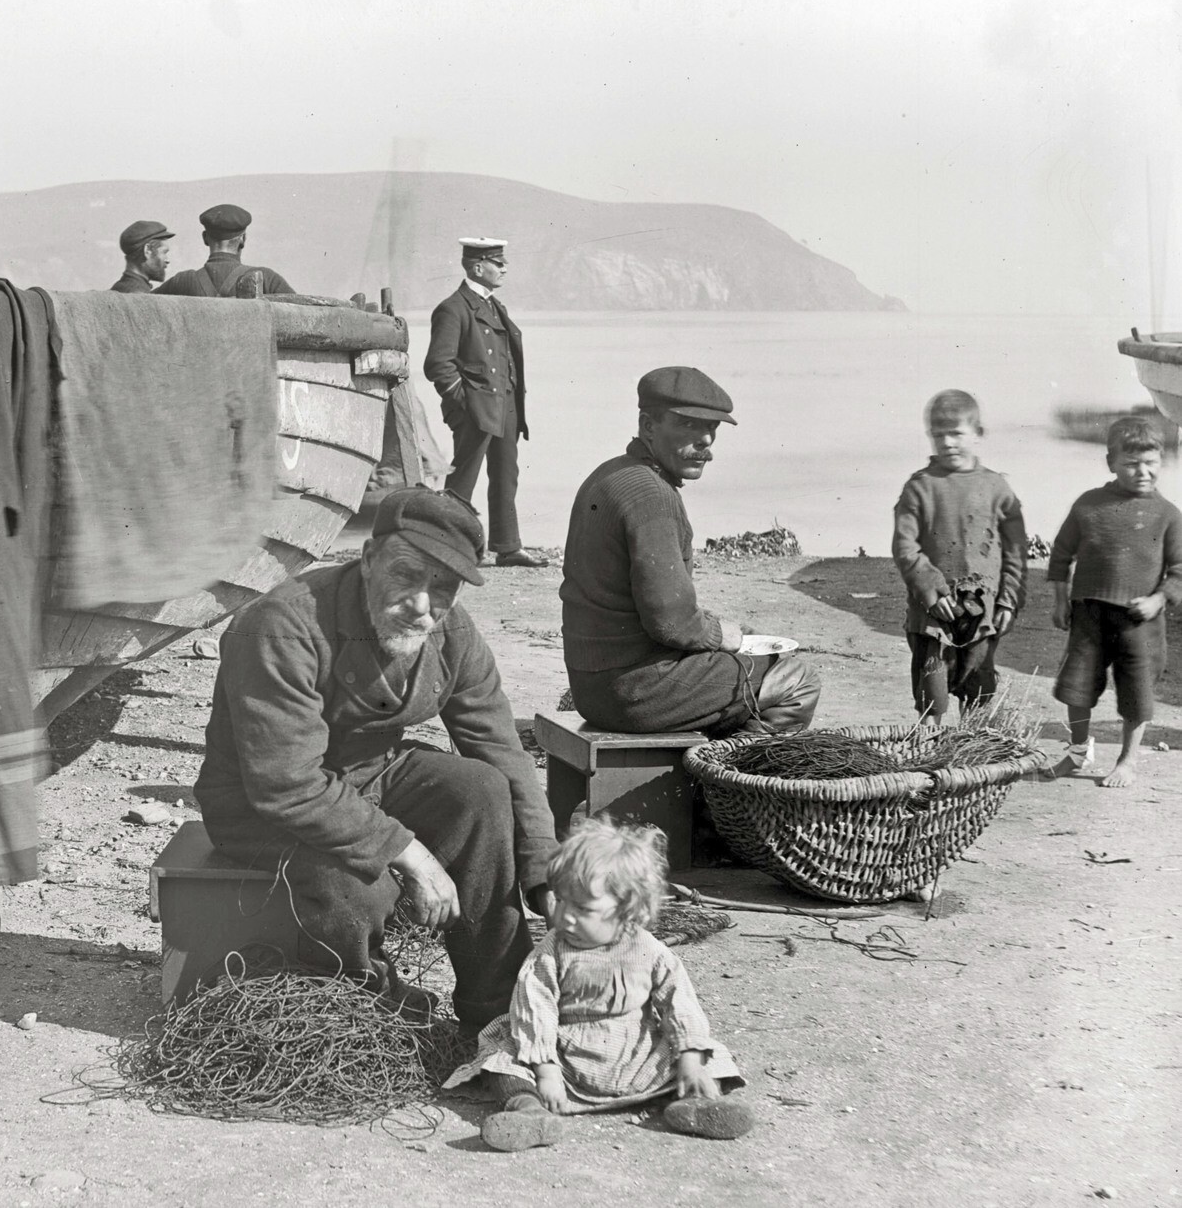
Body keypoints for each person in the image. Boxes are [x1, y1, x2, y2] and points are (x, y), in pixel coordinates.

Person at [192, 488, 556, 1030]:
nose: (421, 606)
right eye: (406, 575)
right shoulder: (279, 624)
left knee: (481, 789)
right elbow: (286, 784)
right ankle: (370, 1013)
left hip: (370, 778)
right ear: (366, 559)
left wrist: (546, 874)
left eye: (443, 587)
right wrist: (410, 853)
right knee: (361, 886)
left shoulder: (452, 633)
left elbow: (503, 750)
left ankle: (497, 1009)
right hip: (259, 809)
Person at [445, 817, 751, 1151]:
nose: (566, 916)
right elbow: (536, 1012)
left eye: (582, 908)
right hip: (565, 1064)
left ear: (628, 909)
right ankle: (529, 1111)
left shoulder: (648, 949)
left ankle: (695, 1103)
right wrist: (546, 1072)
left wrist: (691, 1061)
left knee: (709, 1054)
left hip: (636, 1057)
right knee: (502, 1057)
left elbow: (680, 1003)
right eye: (560, 901)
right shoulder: (551, 953)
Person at [560, 366, 820, 735]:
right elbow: (672, 623)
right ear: (648, 426)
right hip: (635, 692)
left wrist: (722, 633)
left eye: (711, 429)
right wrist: (719, 636)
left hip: (593, 685)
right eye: (688, 425)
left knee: (745, 649)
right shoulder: (652, 496)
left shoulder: (611, 474)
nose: (705, 442)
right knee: (796, 677)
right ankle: (723, 780)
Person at [1046, 414, 1182, 787]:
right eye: (1131, 464)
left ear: (1161, 462)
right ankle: (1077, 752)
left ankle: (1127, 760)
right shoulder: (1089, 505)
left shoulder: (1168, 515)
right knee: (1077, 684)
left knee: (1136, 691)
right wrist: (1060, 601)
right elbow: (1060, 554)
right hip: (1088, 612)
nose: (1142, 472)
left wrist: (1158, 600)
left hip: (1140, 620)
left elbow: (1180, 570)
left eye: (1150, 463)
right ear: (1111, 463)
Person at [891, 390, 1028, 724]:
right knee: (931, 694)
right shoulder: (919, 487)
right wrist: (930, 590)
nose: (948, 443)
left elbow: (1015, 550)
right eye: (939, 435)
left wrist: (1009, 600)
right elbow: (905, 546)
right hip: (933, 613)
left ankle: (969, 760)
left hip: (981, 611)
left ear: (978, 434)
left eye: (957, 433)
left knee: (977, 689)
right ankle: (930, 753)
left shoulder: (997, 489)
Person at [423, 238, 544, 567]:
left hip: (504, 406)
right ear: (478, 268)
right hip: (476, 408)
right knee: (464, 478)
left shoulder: (493, 305)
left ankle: (508, 546)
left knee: (506, 476)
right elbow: (437, 364)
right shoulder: (453, 308)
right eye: (497, 262)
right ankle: (447, 544)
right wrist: (465, 402)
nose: (505, 268)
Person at [153, 203, 296, 298]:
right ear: (243, 239)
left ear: (205, 238)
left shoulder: (183, 281)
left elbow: (140, 304)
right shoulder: (267, 278)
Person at [109, 220, 173, 293]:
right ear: (148, 250)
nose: (167, 260)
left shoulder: (119, 288)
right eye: (164, 252)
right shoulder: (138, 294)